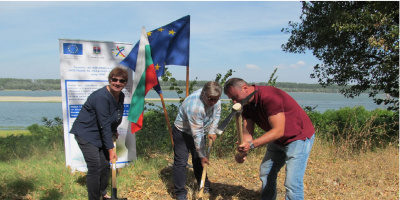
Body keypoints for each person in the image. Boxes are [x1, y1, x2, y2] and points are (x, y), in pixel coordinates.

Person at [223, 78, 315, 200]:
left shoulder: (269, 97)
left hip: (298, 138)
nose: (234, 102)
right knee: (266, 172)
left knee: (292, 183)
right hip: (278, 140)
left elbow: (278, 131)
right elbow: (247, 131)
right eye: (231, 99)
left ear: (245, 88)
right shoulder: (246, 105)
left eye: (235, 97)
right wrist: (244, 148)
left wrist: (252, 144)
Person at [70, 66, 129, 200]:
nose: (117, 83)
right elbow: (104, 123)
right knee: (95, 167)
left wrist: (114, 131)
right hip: (86, 134)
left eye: (122, 81)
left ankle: (103, 193)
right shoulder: (101, 97)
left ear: (125, 83)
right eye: (114, 79)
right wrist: (110, 150)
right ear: (109, 80)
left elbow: (115, 115)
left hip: (100, 133)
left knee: (104, 166)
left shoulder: (121, 96)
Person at [172, 81, 222, 200]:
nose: (214, 102)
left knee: (198, 160)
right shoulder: (194, 105)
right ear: (203, 94)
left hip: (199, 130)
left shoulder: (215, 98)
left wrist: (212, 130)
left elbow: (217, 113)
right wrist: (202, 155)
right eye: (211, 99)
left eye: (216, 99)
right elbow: (197, 134)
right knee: (181, 162)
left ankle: (204, 185)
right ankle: (180, 193)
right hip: (182, 132)